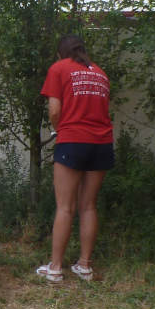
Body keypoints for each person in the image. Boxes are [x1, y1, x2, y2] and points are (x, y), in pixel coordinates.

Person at [35, 35, 114, 282]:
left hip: (73, 140)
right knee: (88, 206)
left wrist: (60, 129)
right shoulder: (100, 73)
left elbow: (55, 110)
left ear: (61, 53)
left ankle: (56, 268)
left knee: (65, 207)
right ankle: (84, 266)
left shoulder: (59, 68)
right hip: (102, 143)